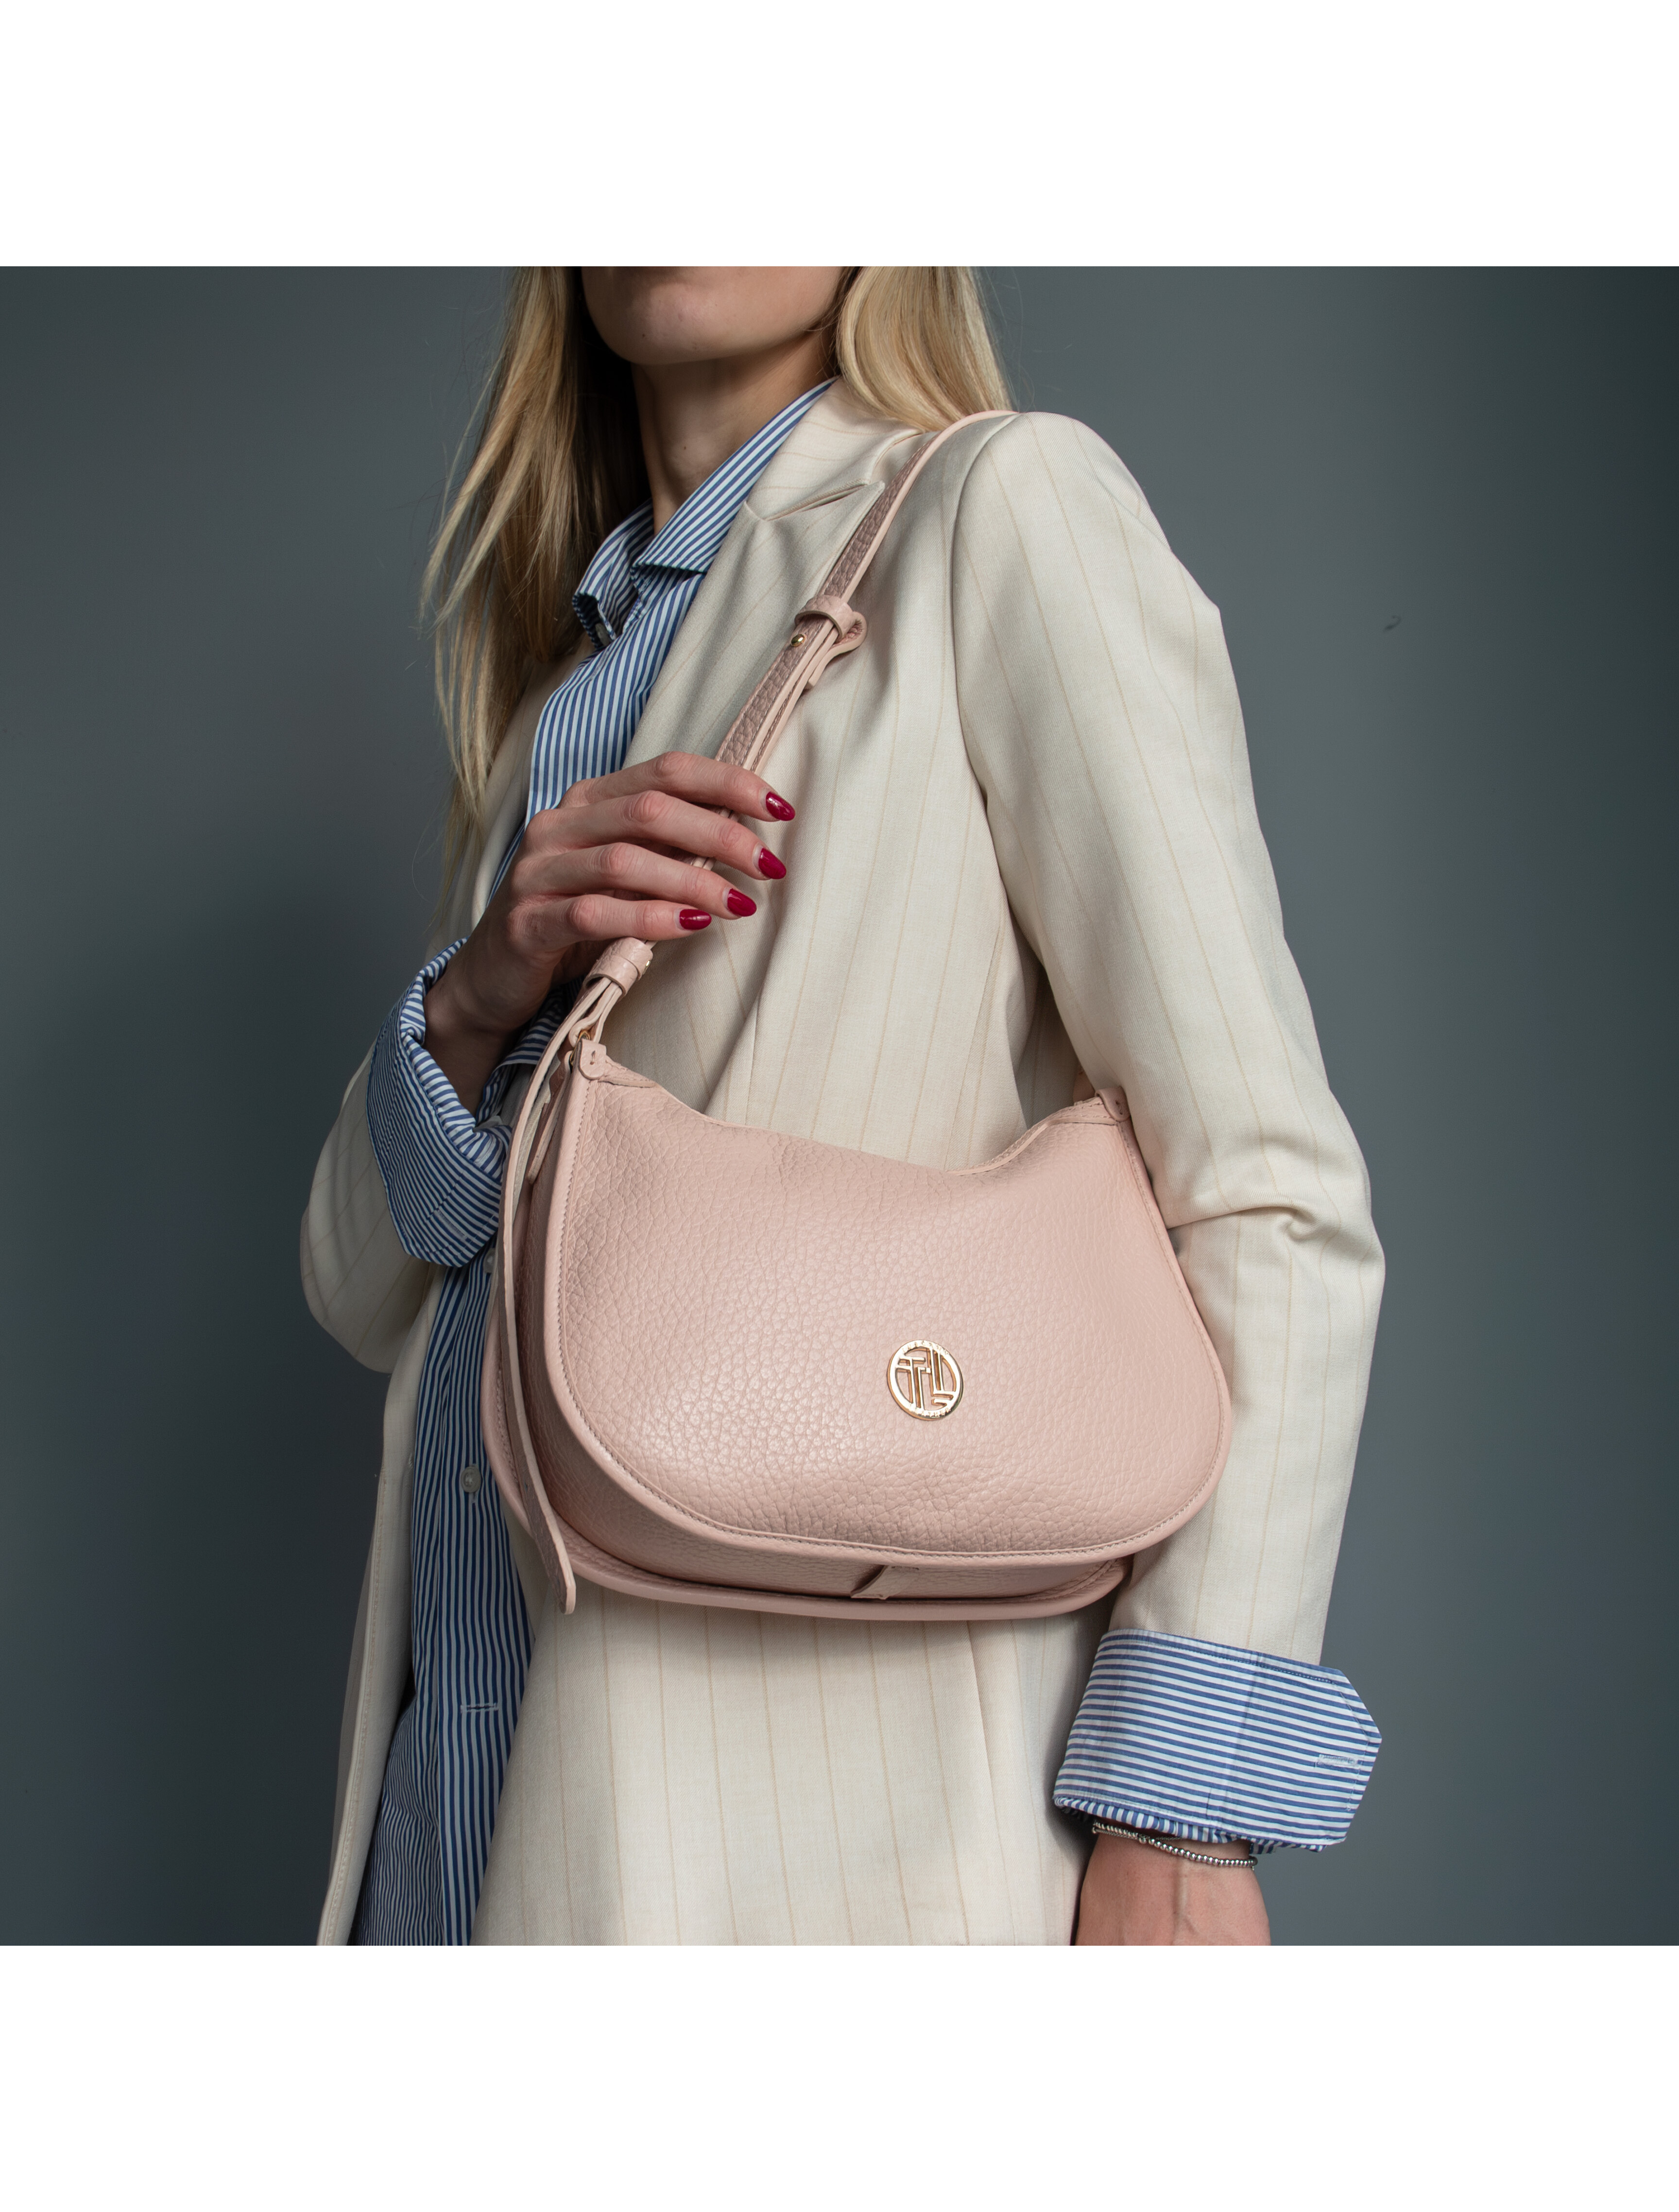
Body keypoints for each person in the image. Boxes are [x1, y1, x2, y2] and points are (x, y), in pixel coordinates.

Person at [303, 267, 1385, 1947]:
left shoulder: (999, 512)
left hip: (835, 1849)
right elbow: (365, 1283)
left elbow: (1269, 1191)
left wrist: (1185, 1815)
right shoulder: (563, 689)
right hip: (466, 1814)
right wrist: (472, 1000)